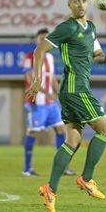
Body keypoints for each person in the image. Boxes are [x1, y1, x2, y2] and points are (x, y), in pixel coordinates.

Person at [28, 0, 106, 212]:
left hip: (72, 90)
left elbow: (96, 55)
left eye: (83, 0)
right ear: (69, 4)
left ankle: (50, 189)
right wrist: (38, 79)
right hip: (76, 89)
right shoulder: (66, 27)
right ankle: (87, 179)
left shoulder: (90, 28)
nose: (80, 4)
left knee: (73, 140)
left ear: (89, 2)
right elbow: (40, 50)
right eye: (75, 1)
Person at [21, 28, 72, 177]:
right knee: (33, 131)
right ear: (36, 39)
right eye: (41, 38)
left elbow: (53, 79)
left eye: (46, 38)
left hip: (51, 103)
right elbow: (30, 80)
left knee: (61, 130)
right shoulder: (30, 56)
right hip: (37, 101)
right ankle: (27, 168)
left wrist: (60, 94)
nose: (44, 41)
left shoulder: (49, 57)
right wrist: (46, 93)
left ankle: (62, 167)